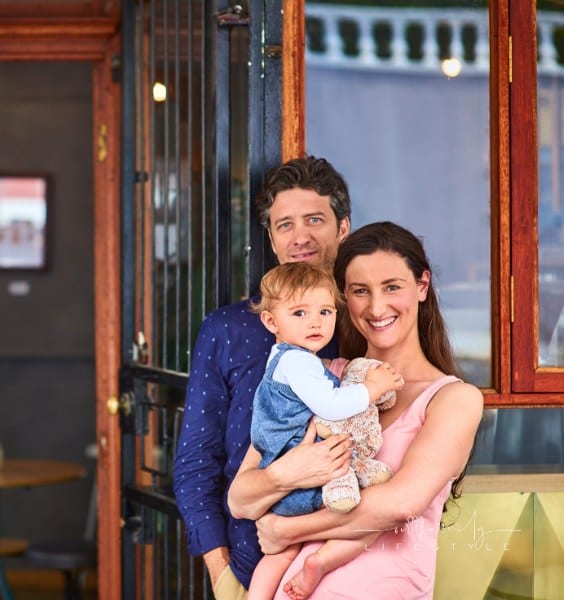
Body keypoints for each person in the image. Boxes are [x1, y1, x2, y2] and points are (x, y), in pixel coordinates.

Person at [228, 222, 483, 599]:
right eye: (361, 291)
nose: (377, 307)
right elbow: (240, 498)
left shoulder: (452, 399)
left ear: (422, 286)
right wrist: (289, 472)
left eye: (392, 287)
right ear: (344, 296)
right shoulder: (319, 377)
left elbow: (399, 504)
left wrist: (287, 530)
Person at [173, 155, 356, 599]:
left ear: (343, 228)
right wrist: (222, 576)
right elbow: (197, 462)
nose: (301, 237)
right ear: (272, 240)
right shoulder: (230, 329)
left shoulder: (367, 322)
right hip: (250, 568)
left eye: (315, 219)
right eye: (284, 224)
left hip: (356, 564)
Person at [245, 261, 404, 599]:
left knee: (278, 553)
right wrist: (373, 389)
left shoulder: (287, 359)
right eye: (300, 313)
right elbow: (332, 406)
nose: (315, 321)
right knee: (367, 527)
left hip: (286, 487)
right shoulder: (297, 362)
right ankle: (320, 561)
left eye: (325, 311)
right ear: (271, 321)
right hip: (305, 479)